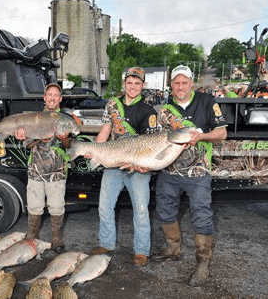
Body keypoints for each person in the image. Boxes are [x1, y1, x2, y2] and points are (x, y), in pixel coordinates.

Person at [154, 65, 227, 286]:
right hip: (170, 170)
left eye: (184, 82)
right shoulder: (164, 109)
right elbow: (158, 141)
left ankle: (203, 263)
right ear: (171, 86)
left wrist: (202, 137)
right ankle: (172, 248)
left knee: (201, 214)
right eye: (176, 83)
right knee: (165, 207)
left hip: (198, 171)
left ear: (191, 84)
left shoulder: (206, 102)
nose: (180, 87)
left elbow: (222, 132)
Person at [90, 67, 158, 267]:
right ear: (124, 84)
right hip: (114, 164)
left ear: (143, 85)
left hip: (137, 168)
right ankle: (106, 243)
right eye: (130, 82)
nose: (133, 86)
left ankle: (141, 251)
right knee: (104, 207)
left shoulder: (148, 110)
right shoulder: (113, 104)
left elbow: (150, 144)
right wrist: (94, 149)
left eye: (137, 83)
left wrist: (143, 166)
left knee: (141, 210)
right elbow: (105, 130)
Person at [14, 83, 73, 253]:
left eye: (56, 94)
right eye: (49, 94)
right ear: (44, 98)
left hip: (58, 173)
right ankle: (31, 237)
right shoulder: (35, 118)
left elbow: (71, 146)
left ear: (60, 99)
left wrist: (63, 139)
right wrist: (24, 137)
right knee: (34, 207)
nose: (52, 97)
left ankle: (56, 240)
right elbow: (29, 145)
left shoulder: (66, 119)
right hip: (36, 172)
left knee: (56, 207)